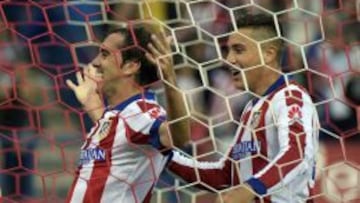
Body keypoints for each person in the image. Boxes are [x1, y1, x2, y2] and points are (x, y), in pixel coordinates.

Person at [152, 13, 320, 203]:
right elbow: (224, 175)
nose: (229, 59)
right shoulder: (251, 109)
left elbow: (297, 154)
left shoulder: (290, 97)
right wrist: (163, 153)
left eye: (238, 50)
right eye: (228, 51)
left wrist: (251, 188)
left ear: (269, 53)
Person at [65, 24, 188, 203]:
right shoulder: (118, 115)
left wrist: (169, 78)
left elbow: (178, 137)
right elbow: (119, 141)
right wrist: (93, 103)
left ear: (130, 66)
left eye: (105, 54)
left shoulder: (142, 110)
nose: (95, 62)